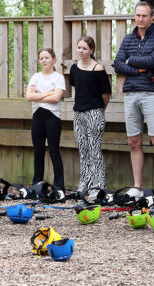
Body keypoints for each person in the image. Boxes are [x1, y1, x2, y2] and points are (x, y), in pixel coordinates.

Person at [112, 1, 154, 199]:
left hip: (151, 94)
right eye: (137, 15)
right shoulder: (128, 38)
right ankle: (138, 187)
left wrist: (132, 60)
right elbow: (118, 64)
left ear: (151, 18)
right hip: (130, 94)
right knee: (133, 141)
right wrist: (138, 69)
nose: (140, 19)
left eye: (144, 16)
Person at [69, 35, 111, 202]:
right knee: (83, 150)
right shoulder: (74, 68)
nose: (81, 51)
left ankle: (97, 186)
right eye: (79, 47)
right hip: (78, 113)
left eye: (84, 48)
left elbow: (106, 93)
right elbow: (77, 88)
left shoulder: (98, 69)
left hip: (94, 112)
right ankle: (84, 184)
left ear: (91, 50)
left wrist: (100, 110)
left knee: (94, 150)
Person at [26, 48, 66, 194]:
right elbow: (29, 96)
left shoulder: (58, 78)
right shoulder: (36, 77)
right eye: (41, 58)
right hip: (37, 116)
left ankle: (58, 186)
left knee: (54, 151)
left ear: (54, 59)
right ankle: (37, 184)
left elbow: (56, 98)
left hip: (52, 117)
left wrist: (39, 95)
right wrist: (47, 93)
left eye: (47, 57)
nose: (44, 60)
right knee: (38, 151)